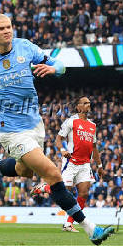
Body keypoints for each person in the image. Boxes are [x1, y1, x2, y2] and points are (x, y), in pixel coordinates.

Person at [0, 13, 113, 245]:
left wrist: (54, 69)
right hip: (11, 131)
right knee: (53, 174)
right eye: (1, 28)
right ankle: (91, 229)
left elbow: (60, 64)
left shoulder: (25, 47)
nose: (7, 31)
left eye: (9, 27)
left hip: (36, 125)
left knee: (24, 172)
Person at [33, 96, 104, 232]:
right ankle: (46, 188)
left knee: (83, 194)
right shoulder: (71, 122)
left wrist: (100, 166)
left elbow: (94, 147)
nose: (88, 105)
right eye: (85, 103)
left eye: (89, 103)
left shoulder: (92, 125)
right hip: (71, 162)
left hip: (85, 165)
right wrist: (62, 150)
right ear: (78, 107)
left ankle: (69, 224)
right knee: (65, 191)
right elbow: (58, 140)